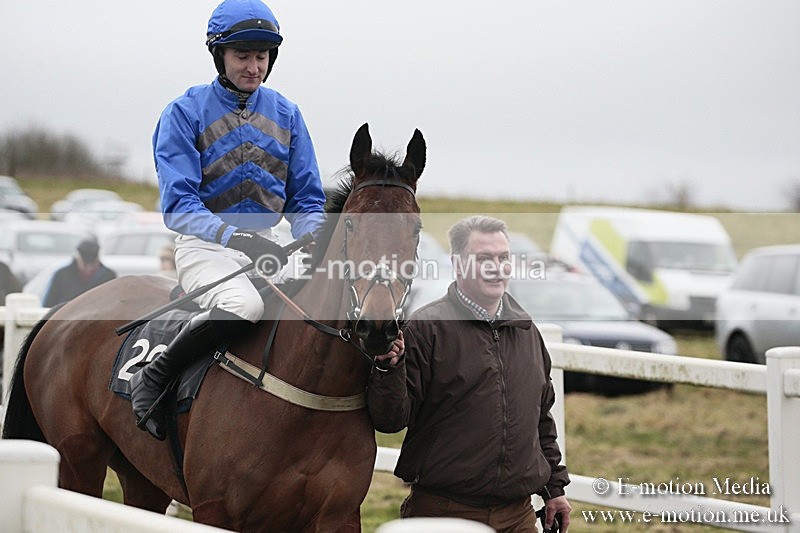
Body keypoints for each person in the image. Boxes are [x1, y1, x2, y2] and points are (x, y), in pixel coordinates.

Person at [130, 0, 326, 440]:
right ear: (218, 54)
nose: (254, 67)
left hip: (273, 245)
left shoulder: (288, 114)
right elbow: (179, 204)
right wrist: (234, 237)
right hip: (206, 246)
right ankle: (156, 375)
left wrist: (314, 237)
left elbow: (307, 199)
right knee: (245, 306)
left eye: (262, 57)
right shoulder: (183, 112)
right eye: (243, 56)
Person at [367, 216, 572, 533]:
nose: (496, 267)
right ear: (458, 265)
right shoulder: (426, 328)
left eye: (503, 258)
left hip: (518, 515)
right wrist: (387, 368)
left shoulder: (526, 330)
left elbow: (540, 419)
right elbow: (390, 419)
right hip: (444, 515)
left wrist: (554, 490)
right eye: (484, 258)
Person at [41, 239, 117, 308]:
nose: (89, 268)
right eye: (85, 264)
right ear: (78, 258)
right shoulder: (61, 275)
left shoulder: (109, 277)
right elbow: (48, 305)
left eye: (93, 264)